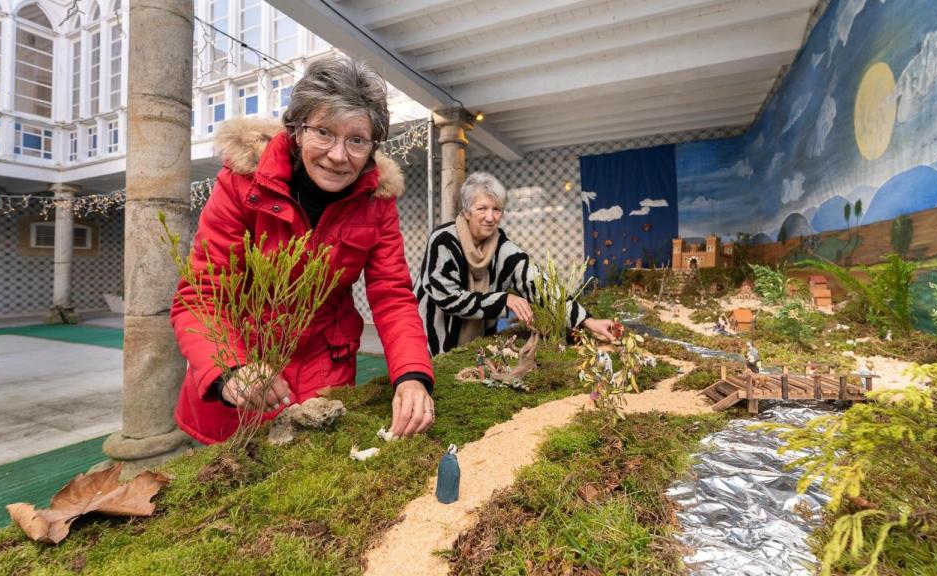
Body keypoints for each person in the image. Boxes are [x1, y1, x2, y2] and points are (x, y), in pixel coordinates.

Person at [171, 53, 434, 445]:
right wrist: (231, 368)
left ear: (373, 145)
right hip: (246, 382)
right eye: (324, 132)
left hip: (324, 379)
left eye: (357, 140)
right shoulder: (243, 184)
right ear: (296, 129)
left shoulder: (376, 199)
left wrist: (412, 375)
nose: (339, 155)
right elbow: (201, 296)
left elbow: (392, 294)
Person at [414, 171, 617, 356]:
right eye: (482, 208)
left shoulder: (503, 248)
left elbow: (540, 286)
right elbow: (447, 298)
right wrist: (503, 300)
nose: (490, 217)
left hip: (472, 345)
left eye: (497, 209)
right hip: (427, 338)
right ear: (467, 212)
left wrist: (588, 321)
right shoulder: (443, 240)